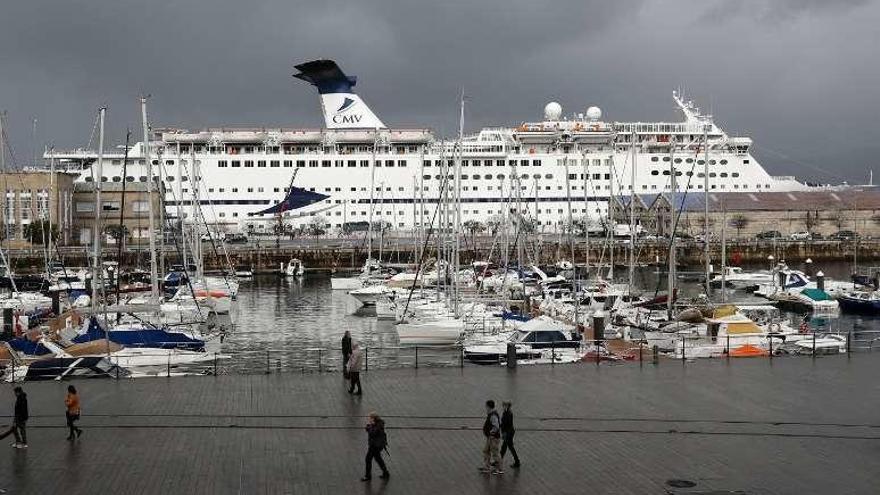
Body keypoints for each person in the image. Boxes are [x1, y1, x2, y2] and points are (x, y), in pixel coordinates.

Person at [361, 412, 390, 481]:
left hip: (375, 445)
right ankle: (385, 473)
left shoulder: (378, 425)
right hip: (376, 444)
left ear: (373, 418)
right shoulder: (377, 424)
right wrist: (370, 426)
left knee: (368, 459)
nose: (369, 419)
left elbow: (373, 433)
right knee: (378, 458)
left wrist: (369, 427)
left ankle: (368, 476)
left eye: (370, 418)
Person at [480, 399, 502, 475]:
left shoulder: (493, 415)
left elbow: (496, 426)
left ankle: (499, 469)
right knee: (486, 451)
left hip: (493, 438)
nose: (485, 407)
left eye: (486, 406)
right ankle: (486, 467)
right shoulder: (491, 414)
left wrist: (491, 433)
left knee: (495, 452)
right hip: (490, 437)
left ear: (489, 407)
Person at [500, 401, 521, 468]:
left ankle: (517, 462)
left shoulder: (507, 413)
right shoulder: (507, 412)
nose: (503, 406)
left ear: (507, 406)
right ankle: (516, 461)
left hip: (508, 433)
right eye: (503, 405)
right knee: (506, 447)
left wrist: (502, 430)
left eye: (504, 405)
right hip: (509, 432)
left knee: (506, 447)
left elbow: (506, 424)